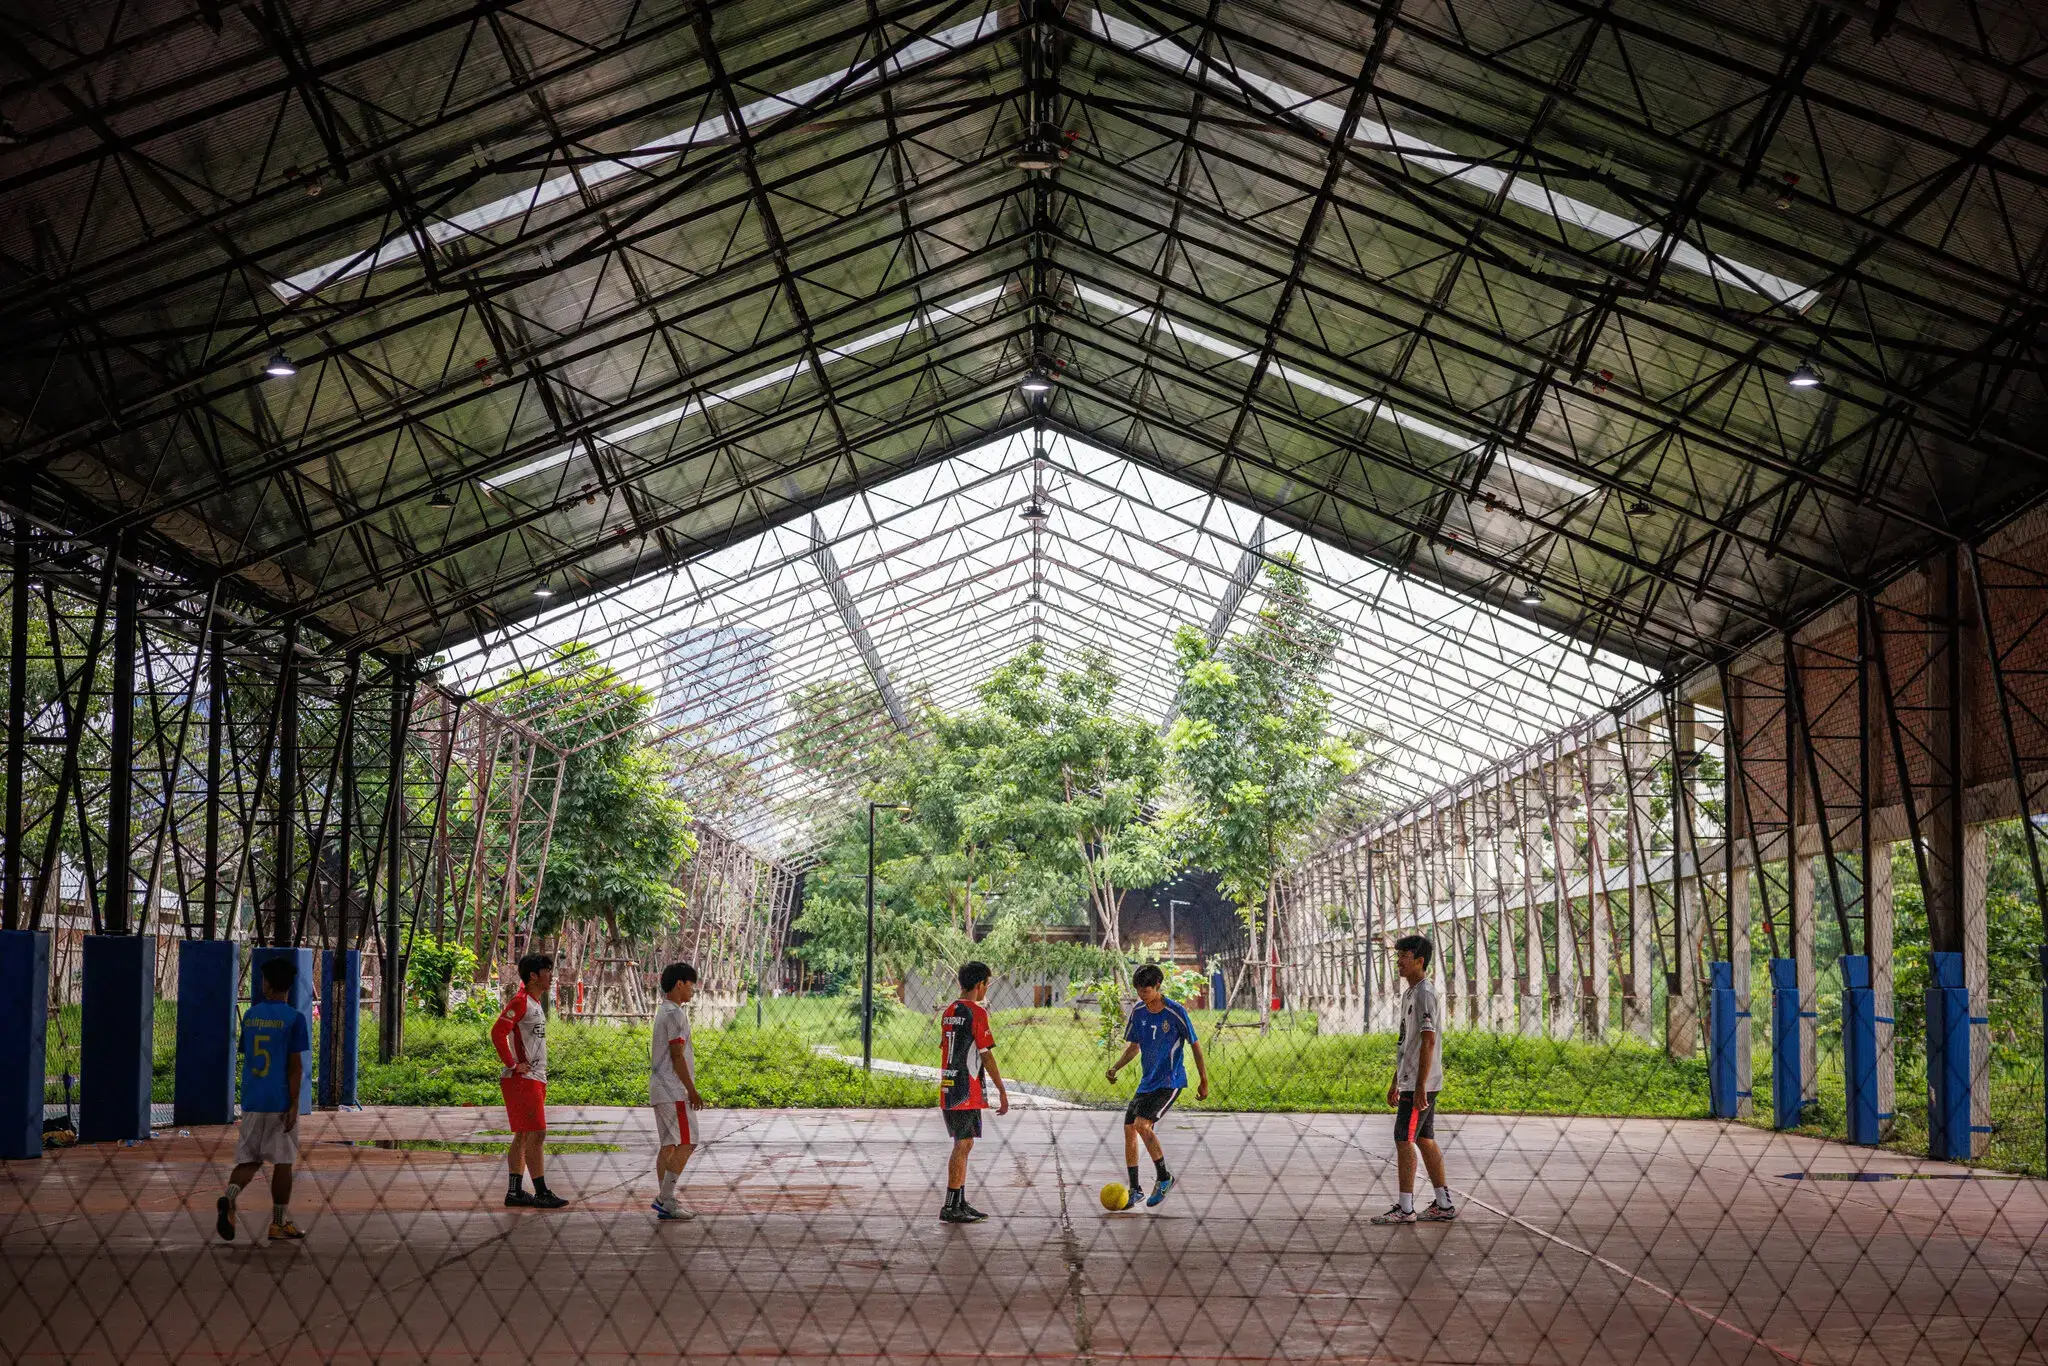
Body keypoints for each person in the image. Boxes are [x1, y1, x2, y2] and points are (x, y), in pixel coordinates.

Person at [215, 956, 310, 1242]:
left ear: (266, 984)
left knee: (250, 1159)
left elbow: (249, 1053)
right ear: (290, 985)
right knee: (283, 1162)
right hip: (278, 1100)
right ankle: (278, 1222)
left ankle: (230, 1196)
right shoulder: (295, 1019)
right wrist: (294, 1103)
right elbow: (295, 1066)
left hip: (253, 1099)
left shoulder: (252, 1016)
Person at [1105, 963, 1210, 1208]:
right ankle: (1135, 1190)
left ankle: (1164, 1178)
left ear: (1158, 986)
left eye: (1147, 990)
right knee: (1130, 1128)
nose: (1142, 995)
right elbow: (1134, 1047)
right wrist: (1115, 1067)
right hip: (1147, 1082)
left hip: (1170, 1081)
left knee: (1143, 1124)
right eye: (1139, 991)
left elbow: (1194, 1045)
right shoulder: (1138, 1012)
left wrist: (1204, 1081)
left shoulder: (1175, 1012)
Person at [1372, 934, 1455, 1224]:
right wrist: (1396, 1080)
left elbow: (1428, 1040)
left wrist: (1419, 1085)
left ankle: (1406, 1209)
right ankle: (1444, 1204)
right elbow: (1407, 1043)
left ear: (1420, 961)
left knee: (1403, 1139)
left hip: (1422, 1082)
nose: (1399, 961)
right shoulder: (1410, 993)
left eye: (1404, 956)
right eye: (1398, 956)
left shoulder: (1424, 993)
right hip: (1413, 1080)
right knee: (1424, 1137)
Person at [491, 952, 568, 1209]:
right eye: (547, 970)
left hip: (536, 1078)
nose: (551, 975)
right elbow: (497, 1032)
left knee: (524, 1134)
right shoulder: (521, 1001)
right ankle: (541, 1191)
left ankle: (515, 1191)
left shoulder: (534, 1003)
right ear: (534, 976)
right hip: (524, 1079)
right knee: (537, 1133)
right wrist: (513, 1064)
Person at [937, 960, 1008, 1224]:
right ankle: (950, 1205)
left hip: (948, 1085)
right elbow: (986, 1056)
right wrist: (1002, 1090)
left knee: (963, 1143)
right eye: (987, 984)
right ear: (980, 985)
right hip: (966, 1088)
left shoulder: (950, 1010)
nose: (986, 988)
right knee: (963, 1143)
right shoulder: (976, 1013)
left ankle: (959, 1201)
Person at [650, 961, 704, 1222]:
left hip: (660, 1089)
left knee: (668, 1146)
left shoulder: (664, 1011)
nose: (693, 989)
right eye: (691, 984)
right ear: (679, 983)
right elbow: (677, 1055)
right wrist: (691, 1090)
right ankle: (665, 1198)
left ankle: (666, 1201)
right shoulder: (675, 1014)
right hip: (674, 1090)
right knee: (689, 1141)